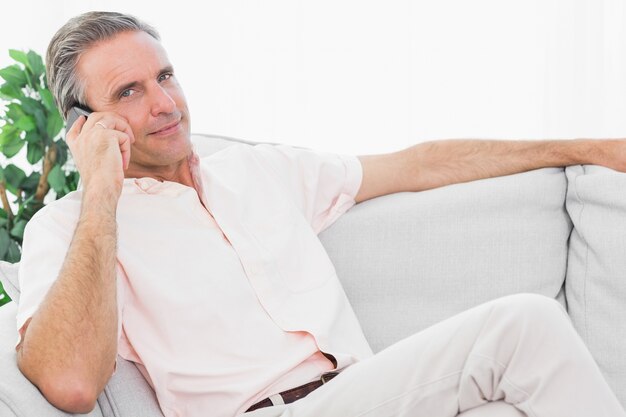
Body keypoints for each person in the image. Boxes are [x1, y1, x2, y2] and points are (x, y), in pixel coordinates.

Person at [13, 11, 626, 417]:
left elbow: (419, 165)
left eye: (165, 76)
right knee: (523, 327)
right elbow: (69, 383)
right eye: (129, 92)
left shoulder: (260, 172)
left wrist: (585, 150)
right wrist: (100, 188)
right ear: (84, 124)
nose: (165, 103)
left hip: (362, 395)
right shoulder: (70, 227)